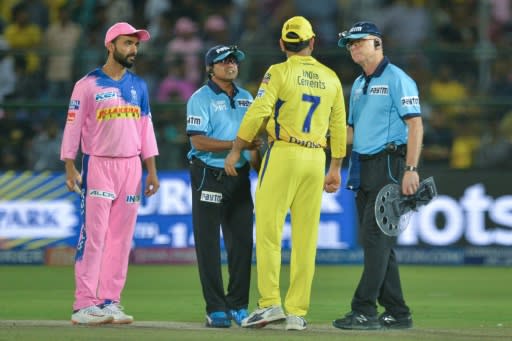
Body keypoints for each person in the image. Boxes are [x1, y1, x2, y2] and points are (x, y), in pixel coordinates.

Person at [224, 16, 347, 331]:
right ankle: (297, 312)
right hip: (315, 157)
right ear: (312, 42)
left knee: (268, 233)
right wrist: (335, 167)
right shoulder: (331, 77)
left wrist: (237, 148)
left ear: (282, 44)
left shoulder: (279, 71)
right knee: (306, 239)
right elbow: (338, 125)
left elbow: (259, 111)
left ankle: (269, 305)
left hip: (284, 153)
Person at [60, 22, 160, 325]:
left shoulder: (139, 85)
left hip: (131, 168)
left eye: (136, 45)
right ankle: (84, 305)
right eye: (127, 43)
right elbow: (73, 125)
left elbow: (146, 128)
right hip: (98, 164)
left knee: (121, 239)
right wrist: (69, 164)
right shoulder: (88, 84)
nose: (133, 50)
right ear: (110, 45)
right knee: (94, 237)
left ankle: (109, 301)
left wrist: (151, 171)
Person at [332, 21, 423, 330]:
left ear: (377, 43)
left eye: (359, 42)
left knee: (375, 239)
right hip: (363, 165)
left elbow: (415, 125)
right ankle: (398, 312)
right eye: (350, 44)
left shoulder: (399, 79)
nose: (353, 47)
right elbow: (351, 131)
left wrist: (410, 168)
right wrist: (318, 138)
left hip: (389, 165)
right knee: (380, 243)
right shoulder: (358, 84)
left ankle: (364, 310)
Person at [187, 44, 262, 328]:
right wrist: (236, 145)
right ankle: (215, 308)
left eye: (233, 61)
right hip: (208, 174)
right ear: (210, 68)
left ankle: (238, 305)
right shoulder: (200, 98)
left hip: (239, 177)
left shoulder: (246, 98)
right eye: (223, 61)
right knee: (207, 244)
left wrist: (260, 171)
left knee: (242, 243)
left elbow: (253, 143)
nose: (231, 65)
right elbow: (198, 141)